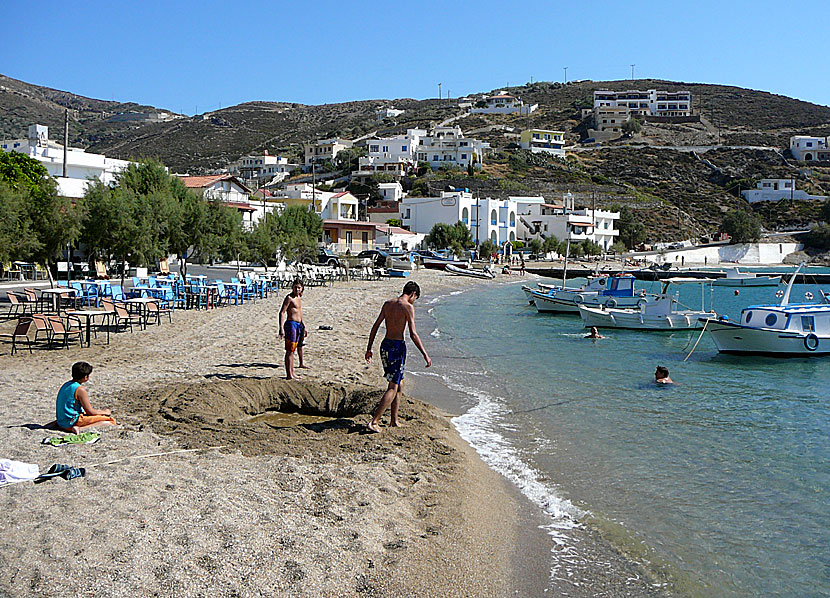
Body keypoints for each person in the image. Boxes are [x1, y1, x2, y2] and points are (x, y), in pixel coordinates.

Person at [365, 281, 431, 433]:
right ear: (413, 294)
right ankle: (374, 421)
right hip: (397, 347)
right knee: (393, 386)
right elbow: (413, 334)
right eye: (416, 298)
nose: (414, 301)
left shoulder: (388, 304)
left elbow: (375, 326)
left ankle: (394, 420)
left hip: (385, 345)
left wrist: (369, 348)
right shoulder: (408, 307)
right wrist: (425, 354)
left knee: (400, 383)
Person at [56, 362, 117, 434]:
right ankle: (79, 428)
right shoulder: (80, 389)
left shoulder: (66, 384)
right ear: (85, 377)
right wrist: (105, 412)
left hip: (61, 422)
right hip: (72, 422)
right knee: (110, 421)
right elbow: (90, 411)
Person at [279, 279, 307, 380]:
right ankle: (289, 374)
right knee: (289, 350)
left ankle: (292, 372)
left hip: (299, 324)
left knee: (294, 349)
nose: (297, 289)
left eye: (299, 287)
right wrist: (281, 328)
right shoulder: (289, 298)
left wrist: (304, 325)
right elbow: (282, 312)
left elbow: (299, 312)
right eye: (295, 287)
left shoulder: (299, 297)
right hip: (291, 324)